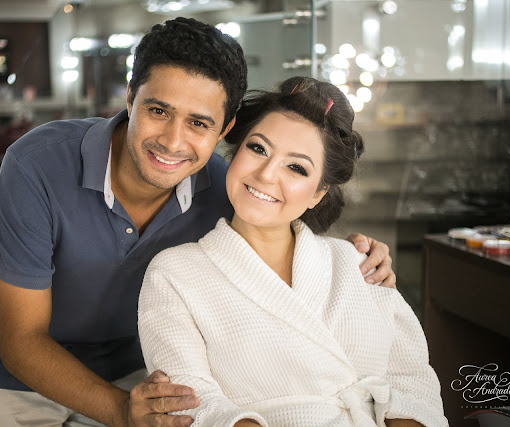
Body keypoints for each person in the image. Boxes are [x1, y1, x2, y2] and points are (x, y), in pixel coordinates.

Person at [0, 18, 395, 427]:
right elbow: (21, 340)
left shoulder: (227, 189)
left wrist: (354, 257)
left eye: (199, 123)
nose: (172, 141)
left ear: (226, 128)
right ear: (131, 97)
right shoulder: (37, 165)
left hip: (136, 365)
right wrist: (121, 412)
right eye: (158, 111)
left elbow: (281, 228)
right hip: (15, 371)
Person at [138, 77, 447, 427]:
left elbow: (412, 384)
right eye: (258, 149)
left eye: (296, 167)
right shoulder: (174, 273)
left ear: (319, 192)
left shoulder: (359, 264)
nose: (267, 174)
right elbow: (194, 404)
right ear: (234, 154)